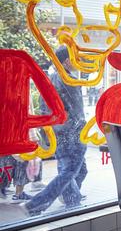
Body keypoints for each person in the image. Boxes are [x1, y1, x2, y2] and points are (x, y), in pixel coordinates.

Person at [21, 46, 88, 216]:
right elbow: (77, 114)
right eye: (75, 57)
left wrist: (51, 130)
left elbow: (44, 108)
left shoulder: (49, 79)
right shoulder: (70, 81)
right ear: (66, 61)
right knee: (68, 173)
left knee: (76, 170)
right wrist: (82, 132)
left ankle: (72, 197)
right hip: (72, 135)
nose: (78, 61)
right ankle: (35, 204)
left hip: (56, 134)